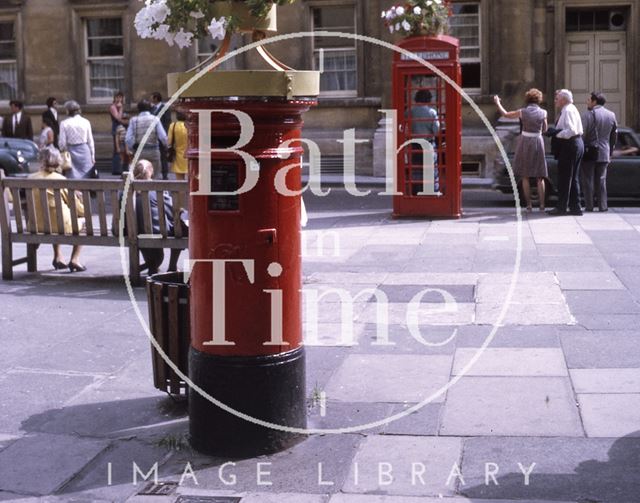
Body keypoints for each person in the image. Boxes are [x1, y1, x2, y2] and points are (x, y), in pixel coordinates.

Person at [29, 146, 86, 272]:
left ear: (41, 160)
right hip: (59, 226)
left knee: (53, 215)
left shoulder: (31, 178)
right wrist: (82, 205)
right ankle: (75, 259)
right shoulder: (60, 180)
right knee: (82, 224)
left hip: (35, 225)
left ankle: (58, 256)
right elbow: (78, 208)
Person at [494, 88, 548, 211]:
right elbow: (544, 129)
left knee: (525, 176)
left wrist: (497, 102)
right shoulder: (544, 113)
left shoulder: (522, 112)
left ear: (527, 99)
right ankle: (542, 205)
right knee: (540, 176)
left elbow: (506, 114)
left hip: (525, 141)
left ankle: (528, 205)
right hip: (538, 142)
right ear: (539, 100)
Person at [130, 159, 185, 274]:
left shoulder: (126, 192)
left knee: (142, 227)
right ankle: (172, 266)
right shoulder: (158, 189)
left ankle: (151, 266)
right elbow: (172, 212)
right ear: (151, 172)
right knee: (181, 227)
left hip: (133, 231)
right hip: (158, 231)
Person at [545, 89, 584, 216]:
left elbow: (571, 131)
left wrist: (556, 133)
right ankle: (575, 207)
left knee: (565, 178)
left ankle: (561, 207)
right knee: (572, 178)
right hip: (575, 144)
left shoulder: (567, 110)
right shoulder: (570, 109)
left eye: (557, 98)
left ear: (563, 100)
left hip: (570, 145)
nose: (555, 101)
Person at [580, 91, 617, 212]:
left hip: (589, 151)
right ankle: (603, 206)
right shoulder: (611, 115)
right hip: (604, 151)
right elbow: (614, 136)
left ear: (594, 101)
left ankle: (589, 206)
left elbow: (582, 134)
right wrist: (610, 151)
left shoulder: (587, 115)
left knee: (588, 179)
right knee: (601, 180)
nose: (587, 102)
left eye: (589, 100)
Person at [126, 99, 168, 179]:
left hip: (140, 152)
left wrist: (133, 146)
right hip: (154, 152)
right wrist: (166, 146)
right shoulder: (155, 119)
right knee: (155, 176)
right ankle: (154, 190)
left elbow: (128, 139)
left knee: (141, 176)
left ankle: (143, 191)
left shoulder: (133, 120)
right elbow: (163, 137)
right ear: (150, 108)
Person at [409, 89, 440, 194]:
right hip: (428, 145)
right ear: (428, 99)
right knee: (431, 171)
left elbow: (403, 128)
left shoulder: (409, 112)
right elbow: (437, 131)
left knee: (416, 170)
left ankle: (416, 191)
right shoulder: (432, 112)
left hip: (414, 145)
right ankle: (432, 191)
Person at [58, 100, 96, 179]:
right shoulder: (86, 122)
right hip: (85, 152)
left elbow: (62, 143)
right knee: (86, 177)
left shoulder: (64, 123)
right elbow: (90, 141)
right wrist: (92, 156)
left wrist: (63, 151)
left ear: (68, 111)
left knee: (72, 179)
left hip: (71, 152)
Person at [151, 92, 172, 180]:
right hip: (153, 136)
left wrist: (166, 134)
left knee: (163, 156)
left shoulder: (165, 108)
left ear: (156, 98)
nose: (150, 99)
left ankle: (165, 174)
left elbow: (167, 121)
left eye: (152, 97)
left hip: (162, 134)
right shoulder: (151, 108)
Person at [168, 110, 188, 180]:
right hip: (189, 155)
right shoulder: (190, 125)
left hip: (177, 155)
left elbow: (169, 141)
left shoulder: (173, 125)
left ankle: (181, 191)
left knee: (179, 180)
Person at [109, 91, 126, 175]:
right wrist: (121, 108)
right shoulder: (113, 107)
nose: (119, 99)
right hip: (116, 129)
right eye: (117, 97)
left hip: (122, 129)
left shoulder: (120, 106)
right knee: (117, 148)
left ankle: (121, 167)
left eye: (120, 97)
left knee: (122, 148)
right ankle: (116, 169)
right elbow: (118, 118)